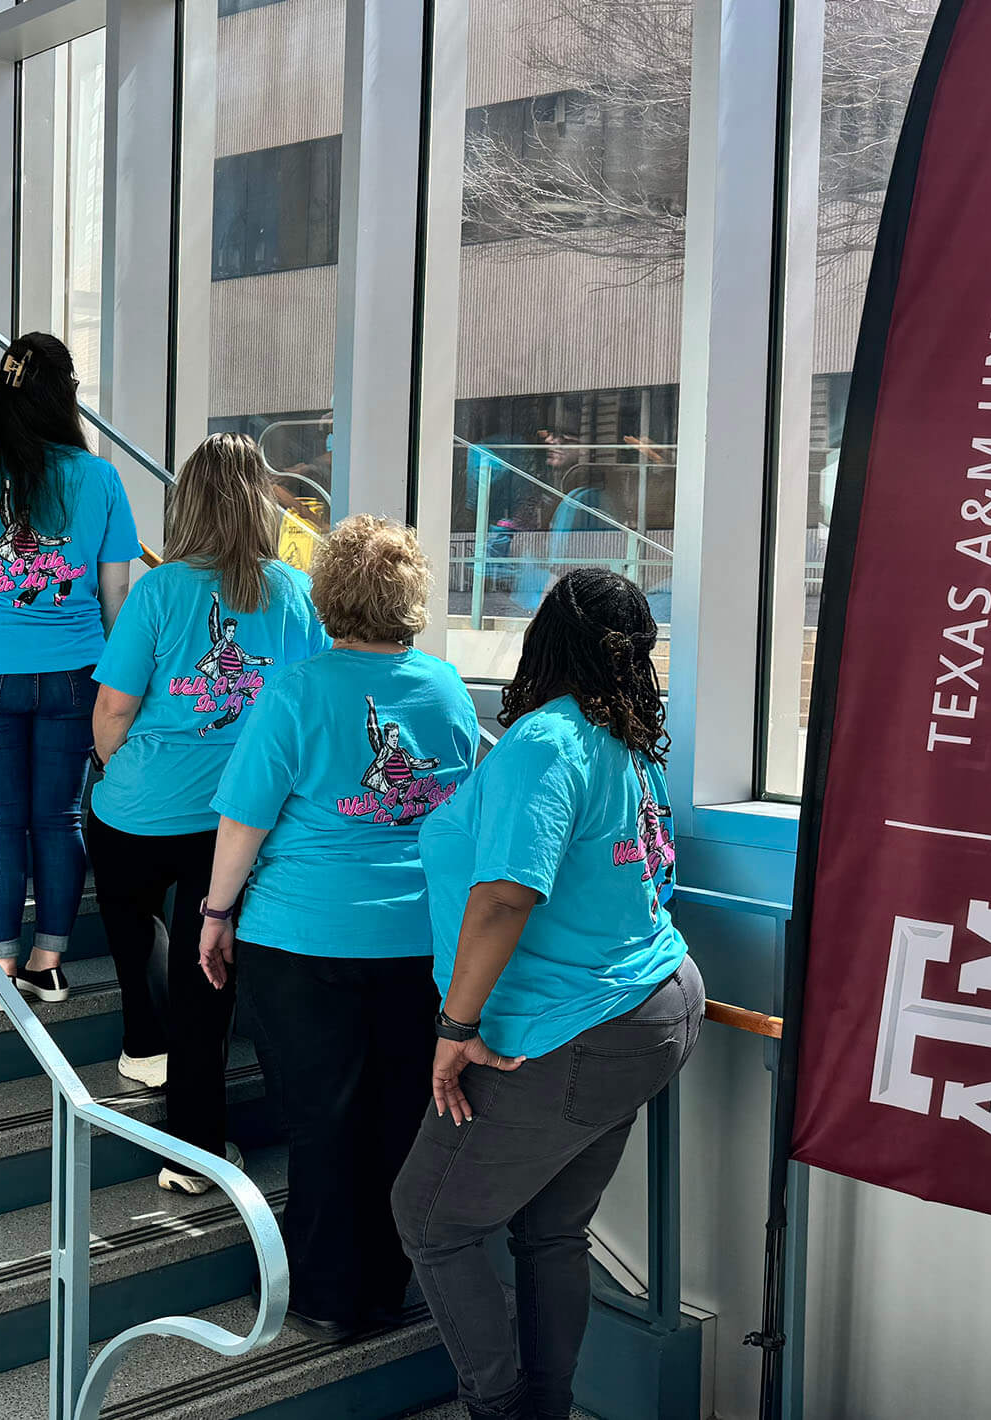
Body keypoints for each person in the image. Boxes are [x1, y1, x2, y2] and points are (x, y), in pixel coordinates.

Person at [392, 568, 702, 1420]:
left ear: (545, 643)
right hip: (650, 1003)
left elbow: (505, 896)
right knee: (551, 1232)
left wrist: (454, 1026)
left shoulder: (547, 742)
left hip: (574, 1027)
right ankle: (544, 1409)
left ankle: (500, 1411)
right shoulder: (624, 740)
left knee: (428, 1218)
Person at [197, 515, 477, 1341]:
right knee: (399, 1115)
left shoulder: (295, 689)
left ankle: (323, 1294)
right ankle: (390, 1287)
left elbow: (244, 820)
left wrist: (216, 914)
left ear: (329, 597)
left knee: (320, 1119)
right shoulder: (448, 688)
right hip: (418, 943)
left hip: (303, 939)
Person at [89, 433, 328, 1192]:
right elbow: (313, 700)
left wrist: (117, 766)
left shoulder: (160, 591)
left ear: (185, 500)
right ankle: (193, 1149)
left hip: (136, 809)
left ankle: (139, 1039)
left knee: (131, 921)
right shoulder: (291, 593)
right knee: (207, 979)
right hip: (237, 824)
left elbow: (111, 710)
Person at [0, 334, 140, 1011]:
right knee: (59, 819)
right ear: (66, 396)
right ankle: (49, 963)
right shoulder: (99, 477)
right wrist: (115, 676)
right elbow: (116, 596)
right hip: (75, 671)